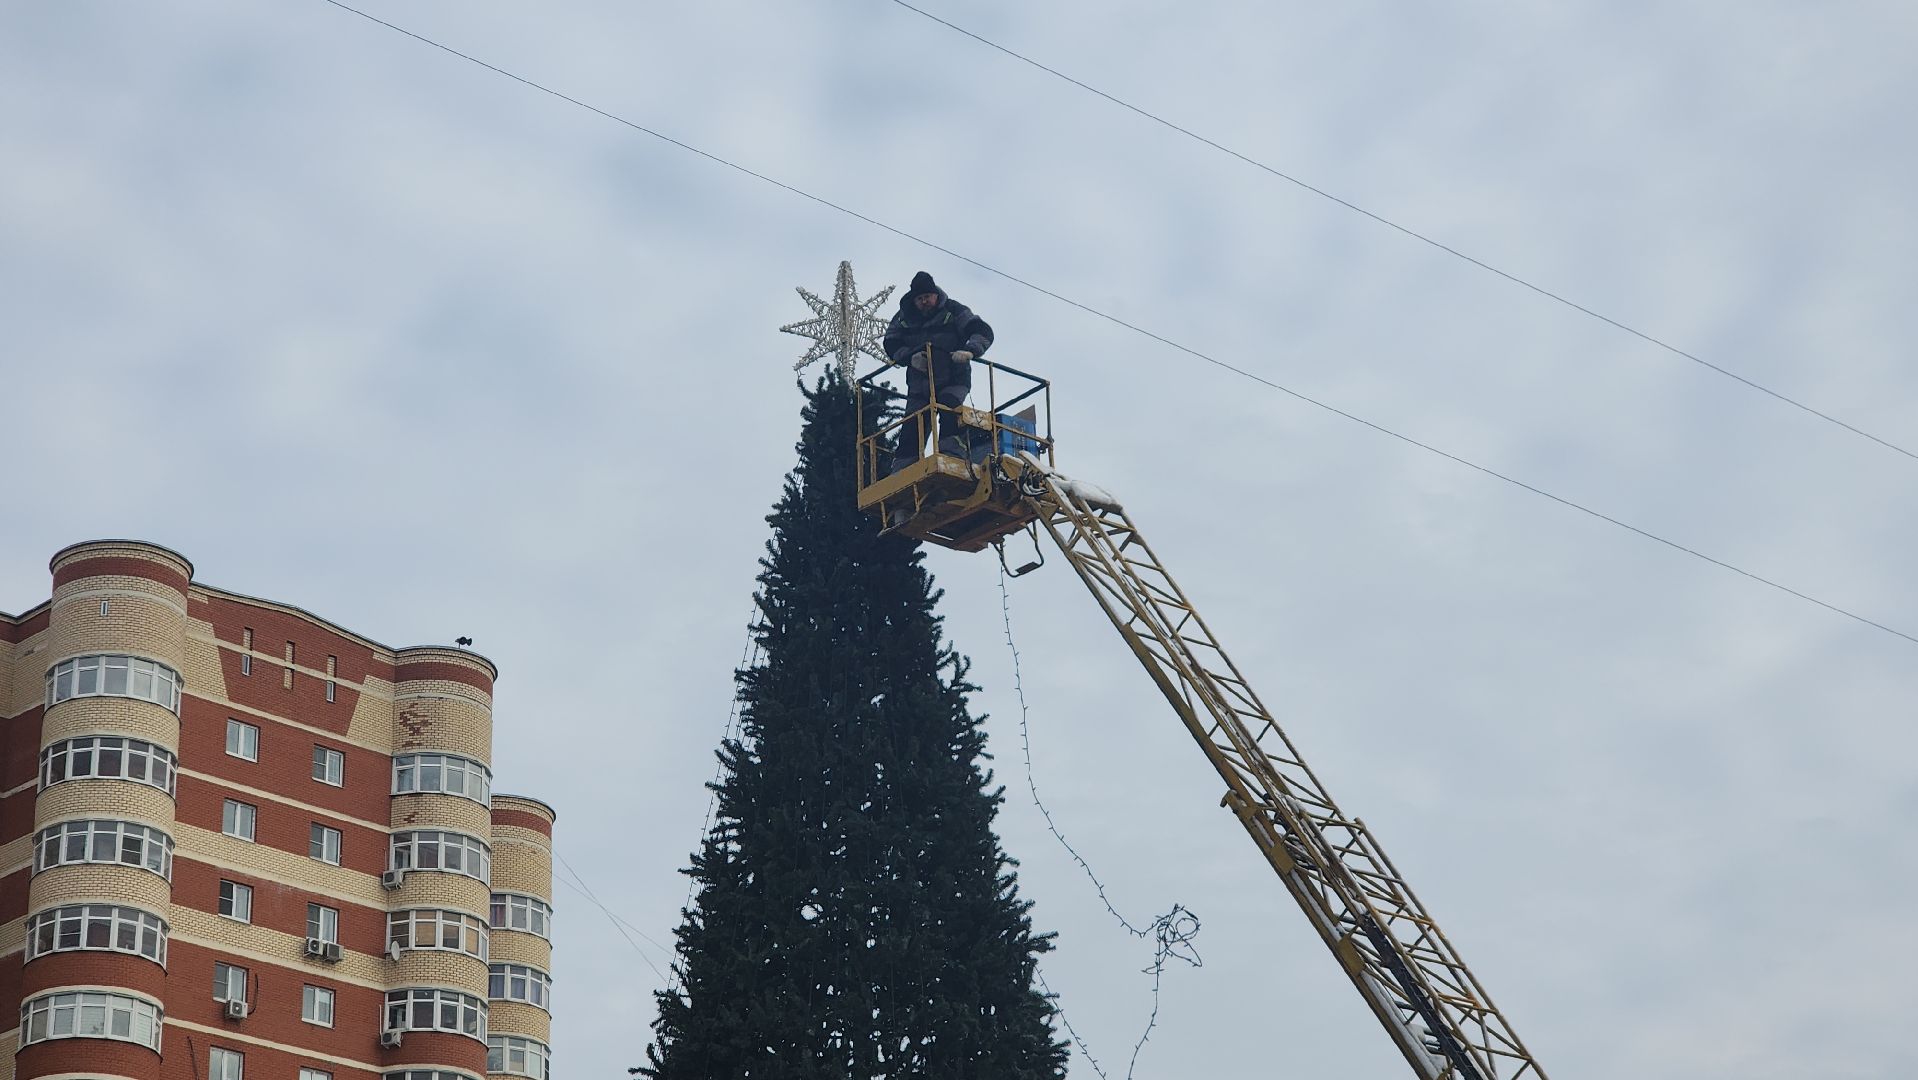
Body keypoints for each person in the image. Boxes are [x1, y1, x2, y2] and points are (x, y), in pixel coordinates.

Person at [883, 270, 993, 471]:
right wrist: (910, 357)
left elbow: (983, 331)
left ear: (935, 295)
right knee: (912, 425)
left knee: (949, 410)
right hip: (919, 385)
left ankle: (952, 458)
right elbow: (890, 342)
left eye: (927, 297)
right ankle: (902, 470)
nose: (924, 302)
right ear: (914, 300)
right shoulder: (903, 318)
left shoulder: (954, 310)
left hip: (954, 378)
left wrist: (970, 351)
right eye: (920, 299)